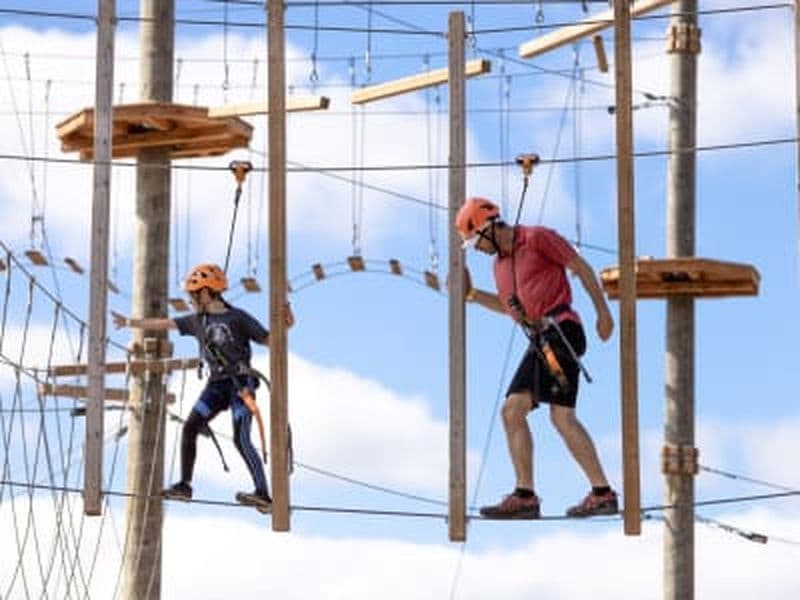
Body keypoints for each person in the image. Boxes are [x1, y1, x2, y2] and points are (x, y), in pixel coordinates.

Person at [455, 197, 618, 519]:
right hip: (541, 340)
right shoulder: (499, 266)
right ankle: (591, 493)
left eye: (475, 241)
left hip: (561, 333)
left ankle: (539, 495)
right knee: (540, 415)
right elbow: (508, 308)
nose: (476, 249)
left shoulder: (537, 238)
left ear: (488, 227)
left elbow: (581, 268)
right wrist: (472, 296)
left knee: (531, 413)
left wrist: (603, 311)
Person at [112, 263, 292, 514]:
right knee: (190, 426)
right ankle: (185, 485)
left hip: (240, 385)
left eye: (194, 295)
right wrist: (131, 322)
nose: (191, 300)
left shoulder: (238, 318)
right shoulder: (197, 321)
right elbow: (165, 324)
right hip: (217, 386)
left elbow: (271, 341)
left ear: (207, 293)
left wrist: (285, 326)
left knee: (241, 437)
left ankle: (263, 494)